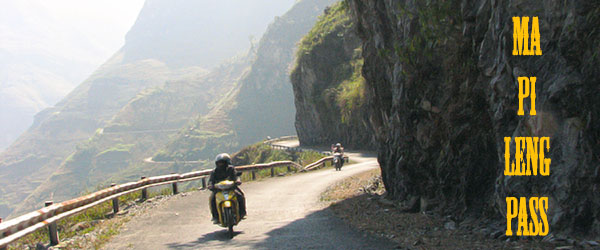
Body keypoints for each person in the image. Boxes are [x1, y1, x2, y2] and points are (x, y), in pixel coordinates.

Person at [207, 153, 247, 224]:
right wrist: (210, 185)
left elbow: (236, 176)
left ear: (227, 163)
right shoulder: (214, 171)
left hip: (231, 188)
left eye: (222, 163)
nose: (221, 164)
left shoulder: (231, 169)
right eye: (219, 163)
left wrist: (237, 181)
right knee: (212, 199)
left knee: (240, 196)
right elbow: (210, 181)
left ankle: (242, 212)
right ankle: (215, 217)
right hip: (219, 190)